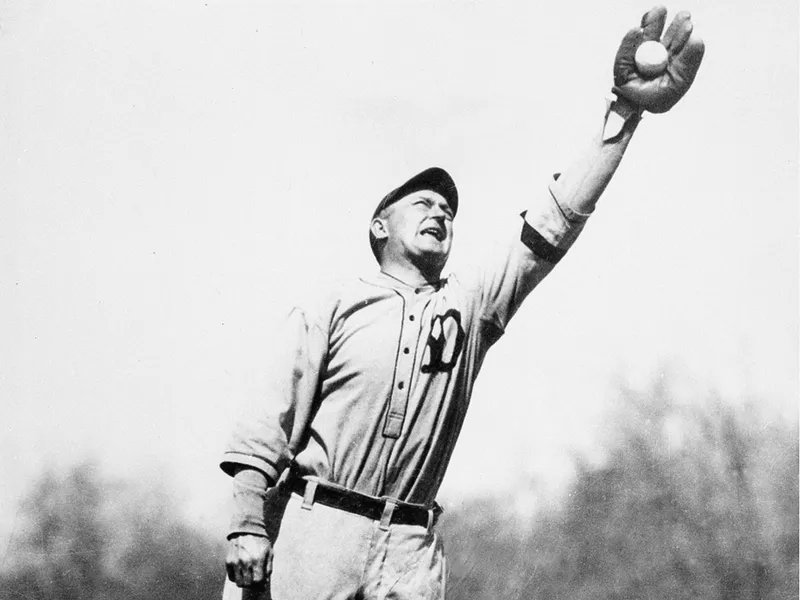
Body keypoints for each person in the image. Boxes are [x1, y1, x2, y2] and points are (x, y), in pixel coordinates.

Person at [220, 6, 704, 599]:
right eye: (421, 201)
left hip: (411, 546)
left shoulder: (469, 305)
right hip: (319, 528)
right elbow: (266, 423)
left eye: (447, 209)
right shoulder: (334, 303)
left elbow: (553, 223)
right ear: (378, 227)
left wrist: (625, 115)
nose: (439, 211)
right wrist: (247, 521)